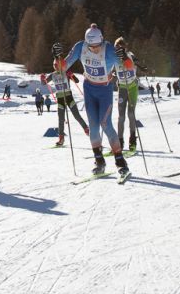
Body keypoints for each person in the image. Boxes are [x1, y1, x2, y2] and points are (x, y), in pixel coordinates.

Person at [64, 25, 131, 179]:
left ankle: (121, 163)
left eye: (97, 46)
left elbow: (128, 67)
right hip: (89, 90)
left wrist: (125, 57)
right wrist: (57, 58)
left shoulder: (109, 50)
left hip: (104, 91)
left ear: (101, 41)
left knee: (106, 124)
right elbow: (62, 66)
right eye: (91, 46)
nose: (94, 49)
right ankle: (99, 161)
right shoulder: (80, 47)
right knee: (93, 127)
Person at [42, 43, 88, 148]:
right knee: (61, 119)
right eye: (55, 66)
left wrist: (71, 75)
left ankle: (87, 130)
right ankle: (61, 138)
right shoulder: (53, 75)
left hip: (68, 97)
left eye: (58, 65)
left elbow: (76, 80)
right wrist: (42, 78)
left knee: (76, 115)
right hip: (60, 99)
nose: (57, 67)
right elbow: (44, 83)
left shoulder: (66, 72)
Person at [113, 38, 141, 153]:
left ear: (125, 48)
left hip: (132, 88)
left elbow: (137, 63)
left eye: (121, 48)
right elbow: (108, 69)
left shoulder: (130, 55)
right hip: (122, 89)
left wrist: (139, 65)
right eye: (117, 48)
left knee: (130, 114)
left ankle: (132, 141)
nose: (119, 50)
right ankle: (120, 142)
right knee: (121, 117)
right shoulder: (114, 58)